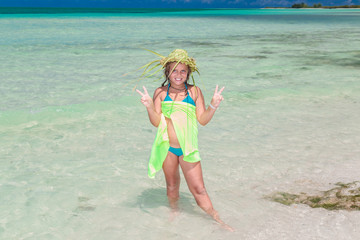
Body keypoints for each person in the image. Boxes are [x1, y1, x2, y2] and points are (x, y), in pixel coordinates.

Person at [136, 49, 232, 230]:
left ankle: (217, 219)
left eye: (183, 71)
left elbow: (202, 120)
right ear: (167, 72)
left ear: (188, 73)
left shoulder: (194, 92)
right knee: (172, 187)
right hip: (167, 148)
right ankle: (174, 212)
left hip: (188, 149)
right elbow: (157, 123)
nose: (178, 75)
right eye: (174, 71)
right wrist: (149, 106)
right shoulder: (161, 92)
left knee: (199, 189)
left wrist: (214, 105)